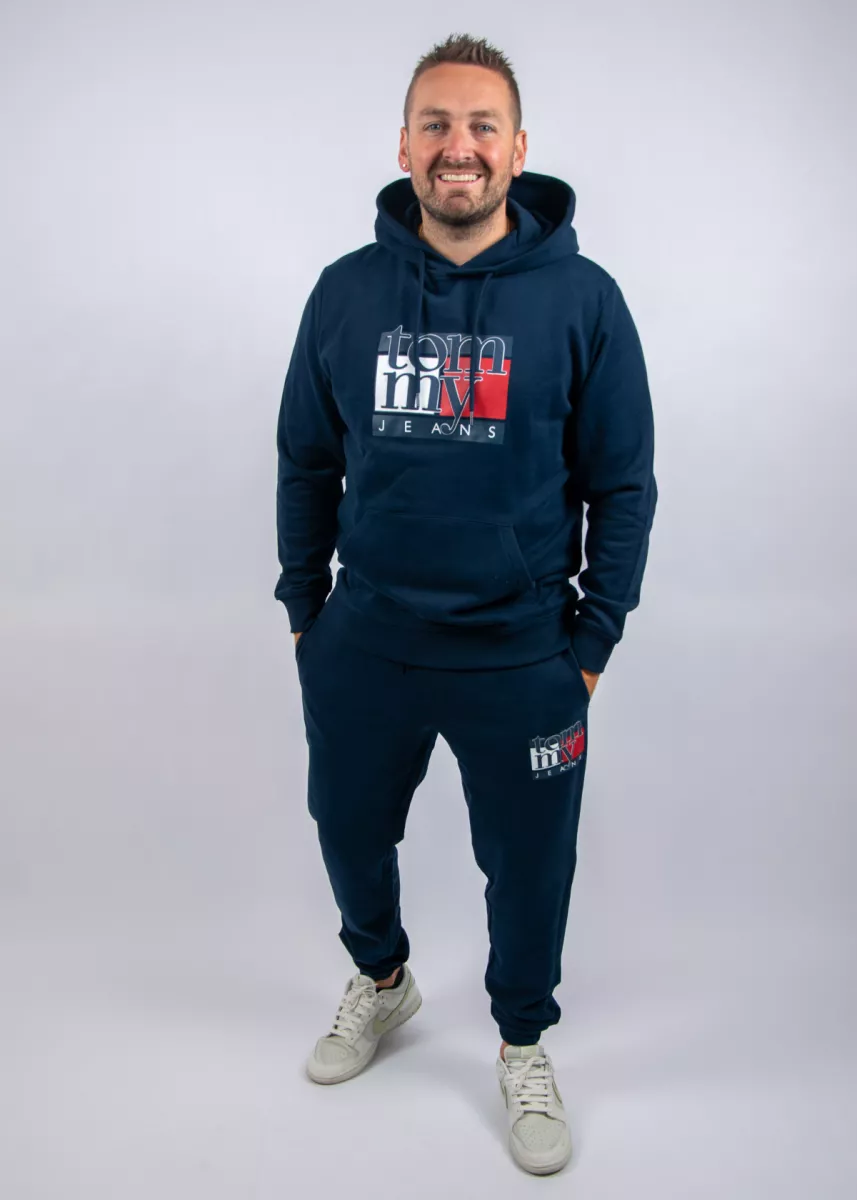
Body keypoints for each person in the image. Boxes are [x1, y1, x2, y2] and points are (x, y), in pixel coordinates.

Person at [274, 32, 657, 1176]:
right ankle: (382, 978)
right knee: (346, 830)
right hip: (365, 643)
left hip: (522, 655)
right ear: (402, 146)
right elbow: (305, 462)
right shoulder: (344, 293)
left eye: (481, 125)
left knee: (530, 870)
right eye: (435, 123)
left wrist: (588, 644)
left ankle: (521, 1039)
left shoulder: (583, 301)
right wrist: (306, 616)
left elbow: (622, 485)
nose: (458, 146)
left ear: (517, 149)